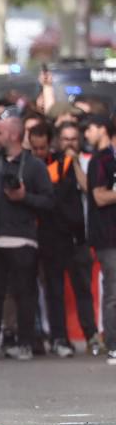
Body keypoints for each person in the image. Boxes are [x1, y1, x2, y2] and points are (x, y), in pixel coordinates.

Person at [0, 108, 54, 360]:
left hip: (22, 241)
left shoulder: (35, 166)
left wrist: (24, 197)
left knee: (24, 294)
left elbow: (49, 201)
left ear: (15, 135)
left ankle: (25, 343)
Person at [29, 122, 96, 356]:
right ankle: (59, 337)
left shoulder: (80, 162)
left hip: (78, 238)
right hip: (51, 238)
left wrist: (74, 163)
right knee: (54, 290)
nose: (69, 144)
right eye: (65, 139)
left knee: (83, 290)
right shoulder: (45, 167)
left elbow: (88, 189)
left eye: (73, 139)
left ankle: (92, 336)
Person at [86, 116, 116, 363]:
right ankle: (114, 343)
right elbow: (99, 197)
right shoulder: (102, 160)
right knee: (114, 292)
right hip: (109, 237)